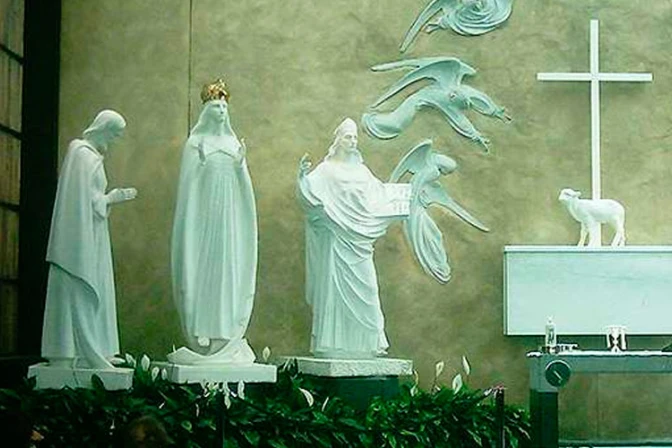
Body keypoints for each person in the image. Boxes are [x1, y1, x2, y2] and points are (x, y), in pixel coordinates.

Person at [297, 118, 410, 359]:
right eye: (348, 136)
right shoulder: (326, 170)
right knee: (335, 295)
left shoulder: (362, 172)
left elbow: (379, 195)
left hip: (359, 242)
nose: (353, 141)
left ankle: (369, 344)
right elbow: (309, 196)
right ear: (338, 140)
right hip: (337, 240)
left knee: (368, 291)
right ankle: (334, 344)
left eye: (355, 137)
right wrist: (302, 178)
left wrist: (401, 199)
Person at [41, 110, 136, 369]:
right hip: (78, 237)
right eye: (114, 134)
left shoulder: (91, 157)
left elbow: (91, 199)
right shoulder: (81, 154)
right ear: (103, 129)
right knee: (77, 287)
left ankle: (98, 348)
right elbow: (80, 201)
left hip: (93, 233)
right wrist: (111, 198)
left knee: (99, 285)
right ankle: (70, 351)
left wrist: (109, 199)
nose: (114, 140)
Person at [170, 79, 257, 363]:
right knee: (205, 269)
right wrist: (201, 165)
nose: (221, 111)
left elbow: (244, 187)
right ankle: (203, 329)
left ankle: (226, 330)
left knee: (227, 271)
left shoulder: (233, 143)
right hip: (206, 218)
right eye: (216, 107)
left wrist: (240, 164)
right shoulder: (196, 143)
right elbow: (189, 187)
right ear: (207, 111)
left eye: (224, 107)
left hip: (229, 218)